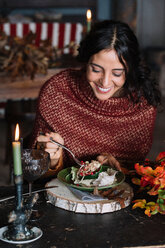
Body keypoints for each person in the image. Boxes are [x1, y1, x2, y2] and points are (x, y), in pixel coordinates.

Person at [31, 20, 161, 177]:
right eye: (96, 69)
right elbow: (34, 167)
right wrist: (53, 160)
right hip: (61, 194)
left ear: (130, 70)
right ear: (86, 62)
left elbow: (136, 170)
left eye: (117, 73)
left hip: (117, 196)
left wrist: (117, 166)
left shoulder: (142, 105)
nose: (105, 82)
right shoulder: (57, 91)